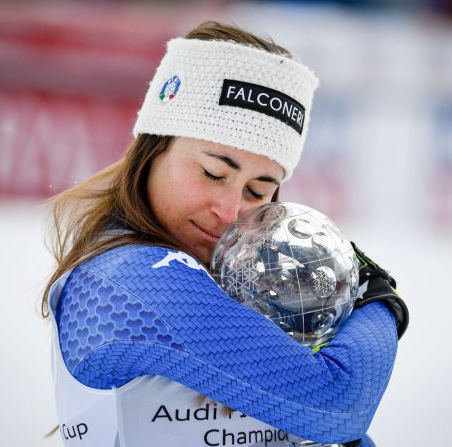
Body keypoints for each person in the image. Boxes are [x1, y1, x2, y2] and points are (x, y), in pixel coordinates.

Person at [40, 21, 408, 447]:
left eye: (258, 189)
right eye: (214, 173)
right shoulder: (126, 281)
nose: (230, 210)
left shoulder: (236, 276)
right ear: (154, 147)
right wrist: (377, 296)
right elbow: (338, 407)